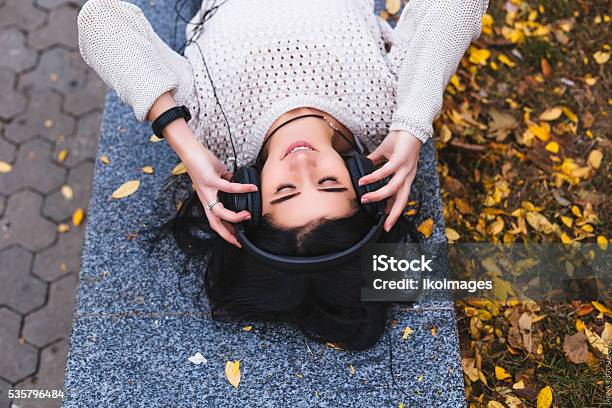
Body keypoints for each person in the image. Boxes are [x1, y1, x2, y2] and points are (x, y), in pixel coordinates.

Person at [77, 0, 488, 349]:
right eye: (329, 183)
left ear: (250, 194)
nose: (303, 164)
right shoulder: (386, 113)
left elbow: (99, 19)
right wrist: (415, 121)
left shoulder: (214, 130)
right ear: (357, 173)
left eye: (285, 190)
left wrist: (180, 136)